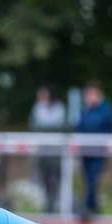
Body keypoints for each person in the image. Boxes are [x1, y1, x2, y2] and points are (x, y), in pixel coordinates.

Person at [73, 82, 112, 220]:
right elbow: (78, 128)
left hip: (99, 151)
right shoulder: (84, 111)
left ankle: (86, 207)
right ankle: (94, 207)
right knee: (87, 179)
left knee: (93, 179)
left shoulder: (107, 111)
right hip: (85, 150)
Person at [28, 85, 66, 213]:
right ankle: (48, 204)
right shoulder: (37, 109)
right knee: (43, 179)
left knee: (55, 180)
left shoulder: (60, 109)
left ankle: (53, 204)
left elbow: (62, 127)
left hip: (55, 154)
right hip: (42, 152)